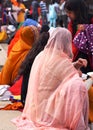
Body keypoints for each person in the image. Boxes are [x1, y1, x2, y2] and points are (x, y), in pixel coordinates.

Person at [13, 27, 89, 130]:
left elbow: (59, 71)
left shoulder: (41, 55)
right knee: (78, 86)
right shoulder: (61, 60)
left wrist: (74, 65)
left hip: (36, 107)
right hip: (49, 110)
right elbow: (72, 76)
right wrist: (77, 68)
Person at [64, 0, 93, 73]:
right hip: (75, 57)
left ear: (77, 11)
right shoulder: (72, 23)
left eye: (70, 12)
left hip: (88, 58)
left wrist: (86, 28)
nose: (68, 15)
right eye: (67, 12)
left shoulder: (90, 19)